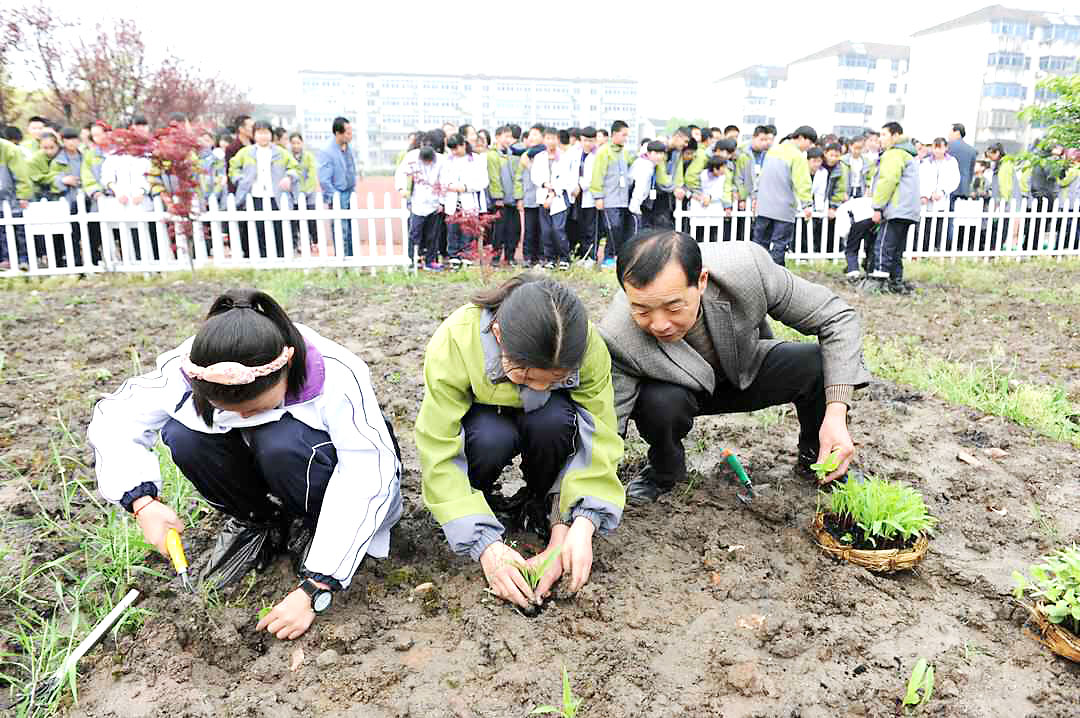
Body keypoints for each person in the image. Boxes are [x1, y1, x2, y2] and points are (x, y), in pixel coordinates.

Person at [87, 290, 402, 640]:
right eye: (228, 411)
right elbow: (116, 418)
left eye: (253, 408)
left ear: (289, 364)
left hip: (315, 470)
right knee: (184, 435)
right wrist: (142, 503)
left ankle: (312, 526)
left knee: (279, 441)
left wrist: (318, 585)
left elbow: (368, 472)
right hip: (266, 474)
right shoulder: (185, 369)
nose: (241, 420)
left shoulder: (335, 375)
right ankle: (259, 522)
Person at [598, 230, 869, 503]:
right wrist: (587, 502)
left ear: (701, 280)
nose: (659, 324)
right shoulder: (617, 334)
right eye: (643, 311)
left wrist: (835, 414)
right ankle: (664, 471)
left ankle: (819, 460)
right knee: (658, 403)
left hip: (745, 368)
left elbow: (836, 318)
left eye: (673, 307)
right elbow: (608, 425)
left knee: (817, 365)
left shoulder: (746, 269)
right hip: (677, 393)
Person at [415, 275, 624, 609]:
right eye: (527, 375)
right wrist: (485, 545)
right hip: (485, 421)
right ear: (498, 335)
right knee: (489, 437)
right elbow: (438, 448)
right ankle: (479, 504)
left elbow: (598, 438)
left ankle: (545, 504)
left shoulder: (586, 345)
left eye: (554, 380)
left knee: (554, 420)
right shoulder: (457, 338)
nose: (540, 388)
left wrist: (574, 530)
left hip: (548, 421)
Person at [229, 120, 299, 258]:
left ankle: (281, 258)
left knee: (279, 230)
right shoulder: (245, 153)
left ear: (271, 135)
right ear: (254, 135)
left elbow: (295, 168)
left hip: (276, 196)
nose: (263, 136)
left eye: (266, 133)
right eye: (259, 133)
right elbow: (233, 168)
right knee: (257, 230)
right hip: (254, 196)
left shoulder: (281, 153)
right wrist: (240, 180)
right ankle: (259, 259)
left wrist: (289, 177)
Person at [864, 122, 919, 293]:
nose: (881, 139)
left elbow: (887, 181)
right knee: (896, 249)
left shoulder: (894, 154)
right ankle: (896, 282)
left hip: (895, 208)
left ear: (896, 136)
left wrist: (878, 207)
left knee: (883, 245)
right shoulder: (908, 154)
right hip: (909, 210)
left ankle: (878, 281)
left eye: (884, 135)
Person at [752, 125, 816, 265]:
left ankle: (757, 274)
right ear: (800, 138)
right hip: (783, 209)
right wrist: (807, 204)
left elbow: (760, 178)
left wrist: (756, 198)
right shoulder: (797, 156)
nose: (810, 146)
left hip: (764, 207)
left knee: (759, 245)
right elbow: (802, 182)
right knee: (779, 246)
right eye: (809, 142)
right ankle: (777, 279)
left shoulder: (772, 151)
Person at [590, 120, 637, 268]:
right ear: (614, 134)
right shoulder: (604, 152)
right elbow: (597, 175)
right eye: (623, 135)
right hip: (609, 198)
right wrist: (598, 196)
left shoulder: (624, 152)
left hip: (623, 199)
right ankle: (607, 257)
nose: (625, 138)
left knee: (621, 229)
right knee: (612, 227)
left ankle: (616, 257)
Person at [395, 139, 446, 269]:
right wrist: (401, 189)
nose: (427, 164)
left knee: (433, 234)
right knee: (414, 233)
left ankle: (430, 261)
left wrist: (442, 202)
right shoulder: (412, 157)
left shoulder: (441, 161)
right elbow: (400, 172)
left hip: (435, 201)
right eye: (425, 161)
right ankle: (412, 260)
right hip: (418, 200)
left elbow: (445, 180)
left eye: (430, 161)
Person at [441, 133, 489, 268]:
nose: (454, 152)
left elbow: (483, 181)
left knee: (467, 230)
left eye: (456, 148)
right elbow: (443, 179)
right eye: (452, 150)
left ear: (463, 145)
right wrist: (450, 186)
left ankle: (467, 255)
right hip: (452, 199)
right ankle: (454, 257)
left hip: (469, 198)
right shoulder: (447, 160)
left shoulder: (477, 160)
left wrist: (466, 187)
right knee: (452, 229)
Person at [531, 127, 574, 269]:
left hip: (558, 198)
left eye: (553, 138)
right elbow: (535, 176)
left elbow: (566, 179)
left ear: (558, 139)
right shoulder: (539, 157)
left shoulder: (565, 157)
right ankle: (549, 258)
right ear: (544, 140)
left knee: (558, 230)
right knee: (546, 231)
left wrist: (553, 193)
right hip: (543, 197)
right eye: (548, 138)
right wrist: (545, 184)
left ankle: (564, 258)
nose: (551, 141)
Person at [317, 117, 357, 257]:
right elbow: (324, 179)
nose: (350, 135)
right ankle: (342, 259)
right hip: (338, 194)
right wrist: (335, 196)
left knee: (352, 229)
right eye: (347, 132)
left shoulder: (348, 147)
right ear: (338, 133)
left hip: (350, 192)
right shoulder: (326, 151)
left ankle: (352, 259)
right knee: (341, 230)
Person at [918, 138, 960, 252]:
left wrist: (942, 192)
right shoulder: (926, 162)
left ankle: (936, 249)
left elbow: (954, 180)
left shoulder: (952, 162)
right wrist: (927, 193)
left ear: (946, 148)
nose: (937, 150)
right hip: (927, 200)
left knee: (940, 227)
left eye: (940, 147)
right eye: (935, 147)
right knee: (925, 227)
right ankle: (923, 250)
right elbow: (921, 179)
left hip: (942, 200)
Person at [489, 125, 522, 267]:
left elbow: (517, 176)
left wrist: (518, 196)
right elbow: (494, 178)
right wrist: (497, 197)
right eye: (505, 136)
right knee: (499, 230)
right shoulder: (492, 155)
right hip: (500, 201)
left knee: (514, 229)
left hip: (512, 200)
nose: (508, 140)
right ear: (497, 137)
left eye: (510, 137)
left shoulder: (512, 154)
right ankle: (495, 257)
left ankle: (510, 256)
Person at [0, 137, 33, 270]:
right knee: (1, 232)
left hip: (11, 198)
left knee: (19, 230)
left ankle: (23, 259)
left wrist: (23, 195)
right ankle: (5, 260)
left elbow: (21, 174)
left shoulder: (9, 149)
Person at [288, 132, 320, 250]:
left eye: (298, 143)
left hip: (309, 193)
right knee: (296, 220)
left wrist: (305, 191)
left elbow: (312, 175)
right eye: (293, 143)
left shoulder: (309, 157)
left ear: (302, 143)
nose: (296, 146)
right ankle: (300, 243)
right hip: (293, 195)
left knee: (311, 219)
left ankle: (315, 242)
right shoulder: (288, 156)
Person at [628, 140, 667, 233]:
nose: (659, 157)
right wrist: (635, 208)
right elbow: (639, 188)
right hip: (635, 205)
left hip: (637, 203)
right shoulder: (645, 166)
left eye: (661, 153)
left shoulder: (646, 162)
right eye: (656, 153)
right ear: (649, 153)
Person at [225, 115, 254, 194]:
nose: (254, 129)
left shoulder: (256, 145)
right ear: (241, 129)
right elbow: (230, 173)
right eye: (251, 127)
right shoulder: (232, 148)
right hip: (240, 190)